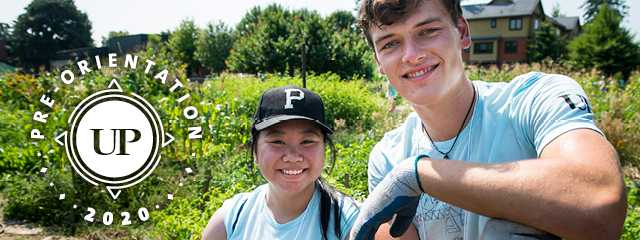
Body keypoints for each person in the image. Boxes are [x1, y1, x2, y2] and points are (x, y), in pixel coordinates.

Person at [349, 0, 627, 239]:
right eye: (391, 43)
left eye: (428, 31)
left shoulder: (534, 100)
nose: (412, 54)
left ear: (462, 32)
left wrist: (416, 174)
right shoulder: (386, 156)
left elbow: (601, 207)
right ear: (378, 62)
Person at [201, 86, 360, 240]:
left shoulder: (351, 224)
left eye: (307, 141)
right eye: (277, 141)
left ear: (324, 149)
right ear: (255, 150)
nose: (292, 157)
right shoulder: (229, 222)